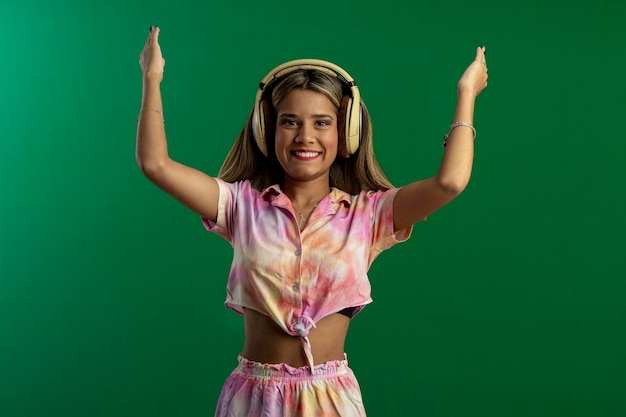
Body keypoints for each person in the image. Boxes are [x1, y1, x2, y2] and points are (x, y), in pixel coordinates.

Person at [137, 26, 487, 417]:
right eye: (290, 122)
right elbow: (156, 164)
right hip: (253, 399)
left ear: (345, 134)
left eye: (322, 122)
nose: (305, 136)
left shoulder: (369, 215)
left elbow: (451, 182)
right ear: (267, 130)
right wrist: (152, 78)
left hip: (330, 401)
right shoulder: (239, 206)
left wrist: (466, 95)